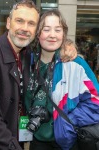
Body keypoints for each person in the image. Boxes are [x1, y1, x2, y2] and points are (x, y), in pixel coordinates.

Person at [0, 1, 77, 150]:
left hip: (14, 140)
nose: (25, 28)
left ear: (36, 30)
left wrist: (67, 45)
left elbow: (51, 42)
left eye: (31, 23)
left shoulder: (27, 55)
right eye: (19, 21)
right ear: (8, 23)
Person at [25, 9, 99, 150]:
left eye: (57, 30)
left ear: (63, 34)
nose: (52, 35)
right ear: (38, 33)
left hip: (67, 141)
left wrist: (68, 122)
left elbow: (96, 101)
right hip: (37, 139)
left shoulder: (75, 64)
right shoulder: (27, 62)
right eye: (46, 29)